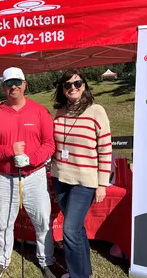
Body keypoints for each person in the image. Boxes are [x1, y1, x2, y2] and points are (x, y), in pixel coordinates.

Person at [0, 67, 57, 278]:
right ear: (3, 87)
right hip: (5, 178)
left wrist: (32, 159)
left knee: (42, 221)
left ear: (24, 84)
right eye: (8, 83)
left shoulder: (39, 111)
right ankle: (2, 260)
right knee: (4, 223)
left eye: (17, 82)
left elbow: (49, 143)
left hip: (35, 176)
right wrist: (8, 152)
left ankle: (46, 260)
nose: (13, 86)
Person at [51, 69, 112, 278]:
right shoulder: (59, 112)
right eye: (68, 85)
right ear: (63, 89)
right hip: (59, 177)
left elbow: (105, 148)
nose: (73, 88)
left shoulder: (97, 111)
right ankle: (84, 271)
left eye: (77, 84)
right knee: (76, 229)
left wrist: (102, 183)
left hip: (84, 182)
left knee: (69, 230)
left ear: (84, 86)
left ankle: (78, 275)